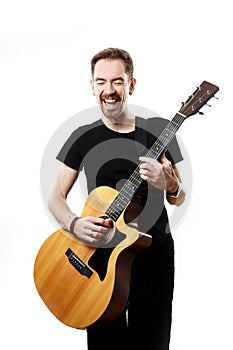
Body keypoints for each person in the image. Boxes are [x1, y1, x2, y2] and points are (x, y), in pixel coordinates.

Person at [48, 47, 186, 350]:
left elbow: (178, 196)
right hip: (99, 256)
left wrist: (169, 183)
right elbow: (55, 197)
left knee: (152, 342)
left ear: (131, 85)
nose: (109, 90)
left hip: (152, 252)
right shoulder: (82, 136)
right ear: (92, 86)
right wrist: (74, 224)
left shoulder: (158, 132)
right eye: (101, 82)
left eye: (117, 82)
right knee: (104, 344)